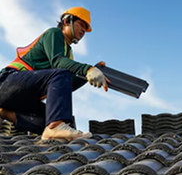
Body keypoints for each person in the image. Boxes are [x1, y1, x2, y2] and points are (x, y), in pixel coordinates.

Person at [0, 7, 109, 140]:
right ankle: (55, 127)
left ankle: (4, 112)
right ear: (67, 21)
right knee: (61, 75)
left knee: (66, 123)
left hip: (21, 97)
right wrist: (87, 69)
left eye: (86, 29)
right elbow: (59, 63)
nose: (83, 31)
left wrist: (88, 76)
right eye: (81, 24)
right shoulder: (54, 34)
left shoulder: (68, 53)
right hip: (6, 83)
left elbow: (64, 85)